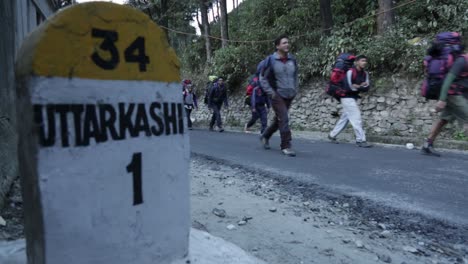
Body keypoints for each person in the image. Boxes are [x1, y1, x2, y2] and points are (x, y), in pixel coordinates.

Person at [422, 45, 468, 156]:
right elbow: (448, 80)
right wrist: (442, 100)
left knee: (444, 119)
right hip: (454, 95)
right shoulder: (462, 61)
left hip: (458, 94)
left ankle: (427, 144)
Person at [259, 35, 298, 157]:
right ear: (277, 46)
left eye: (288, 42)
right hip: (277, 94)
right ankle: (286, 146)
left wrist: (295, 88)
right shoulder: (271, 60)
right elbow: (262, 78)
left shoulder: (292, 60)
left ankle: (265, 136)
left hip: (289, 94)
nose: (287, 44)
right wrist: (271, 93)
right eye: (284, 43)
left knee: (279, 120)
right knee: (284, 118)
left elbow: (295, 76)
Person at [328, 55, 372, 148]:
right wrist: (360, 86)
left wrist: (357, 86)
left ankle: (332, 135)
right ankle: (360, 140)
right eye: (362, 61)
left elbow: (367, 87)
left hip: (353, 97)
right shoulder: (350, 72)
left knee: (345, 118)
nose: (364, 62)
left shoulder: (365, 74)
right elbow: (348, 87)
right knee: (356, 117)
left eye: (365, 61)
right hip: (346, 97)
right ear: (356, 62)